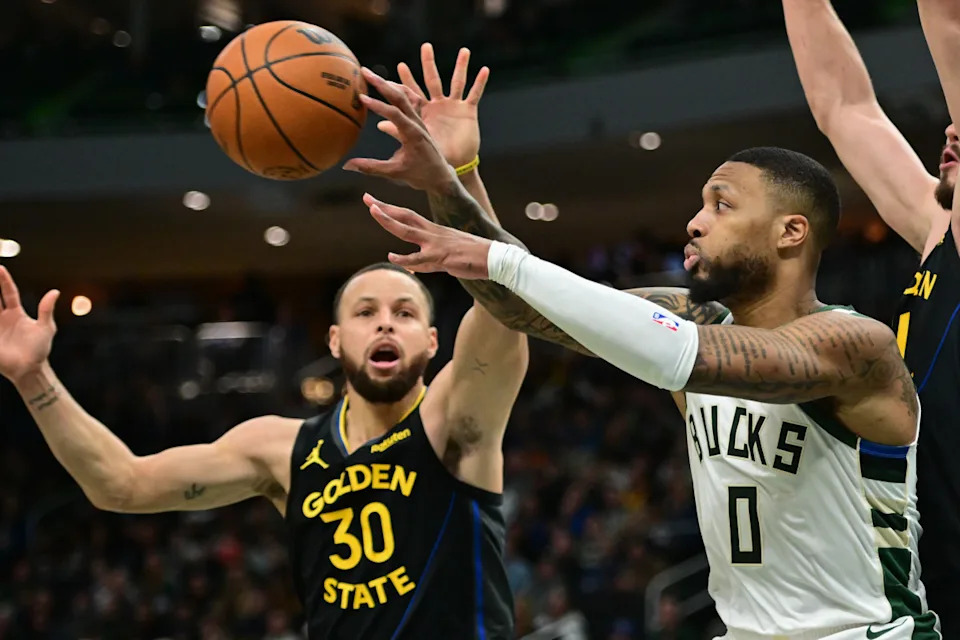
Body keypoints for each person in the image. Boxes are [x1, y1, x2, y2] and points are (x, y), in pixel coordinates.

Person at [347, 68, 939, 638]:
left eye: (722, 205)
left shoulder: (856, 345)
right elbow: (522, 307)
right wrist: (454, 177)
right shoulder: (689, 317)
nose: (695, 222)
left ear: (791, 232)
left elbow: (680, 353)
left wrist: (507, 259)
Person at [0, 49, 528, 640]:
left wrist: (457, 178)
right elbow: (121, 484)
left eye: (405, 313)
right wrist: (32, 377)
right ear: (334, 338)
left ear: (433, 342)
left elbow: (506, 309)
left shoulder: (455, 419)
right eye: (366, 311)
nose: (385, 324)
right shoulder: (280, 450)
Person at [783, 0, 960, 620]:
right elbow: (844, 108)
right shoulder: (938, 234)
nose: (949, 132)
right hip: (922, 576)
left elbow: (950, 24)